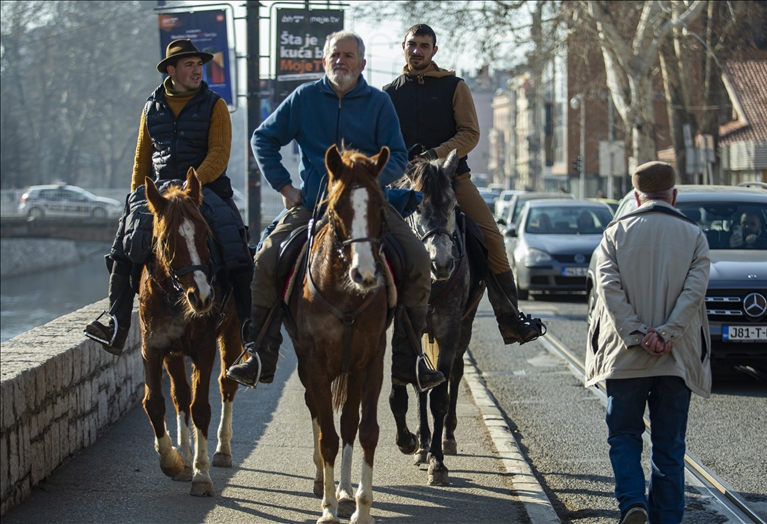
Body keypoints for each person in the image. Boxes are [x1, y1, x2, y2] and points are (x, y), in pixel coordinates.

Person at [226, 30, 445, 391]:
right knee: (265, 258)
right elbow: (262, 137)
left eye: (348, 55)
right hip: (313, 205)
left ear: (361, 63)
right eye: (334, 55)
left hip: (370, 208)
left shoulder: (378, 103)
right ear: (324, 61)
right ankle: (260, 352)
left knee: (418, 259)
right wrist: (284, 186)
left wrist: (369, 179)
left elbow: (400, 157)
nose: (340, 61)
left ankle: (411, 361)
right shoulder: (304, 98)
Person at [84, 39, 252, 354]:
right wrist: (137, 198)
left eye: (199, 65)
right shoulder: (152, 107)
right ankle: (115, 322)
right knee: (125, 245)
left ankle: (248, 326)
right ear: (171, 70)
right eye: (189, 65)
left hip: (204, 189)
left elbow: (219, 154)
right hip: (160, 192)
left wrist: (192, 188)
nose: (197, 70)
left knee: (236, 244)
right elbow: (142, 160)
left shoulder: (215, 105)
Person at [383, 24, 545, 345]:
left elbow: (470, 134)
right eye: (412, 45)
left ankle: (509, 318)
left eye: (424, 46)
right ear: (403, 47)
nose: (417, 51)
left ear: (434, 51)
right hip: (406, 186)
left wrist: (434, 155)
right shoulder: (388, 93)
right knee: (365, 235)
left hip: (453, 180)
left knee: (493, 239)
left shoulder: (454, 86)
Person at [585, 161, 711, 524]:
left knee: (624, 436)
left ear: (637, 197)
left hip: (625, 356)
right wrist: (667, 333)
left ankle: (632, 503)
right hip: (677, 359)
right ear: (674, 195)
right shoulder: (694, 235)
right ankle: (667, 520)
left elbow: (608, 289)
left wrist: (638, 334)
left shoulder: (615, 233)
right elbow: (694, 292)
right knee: (669, 448)